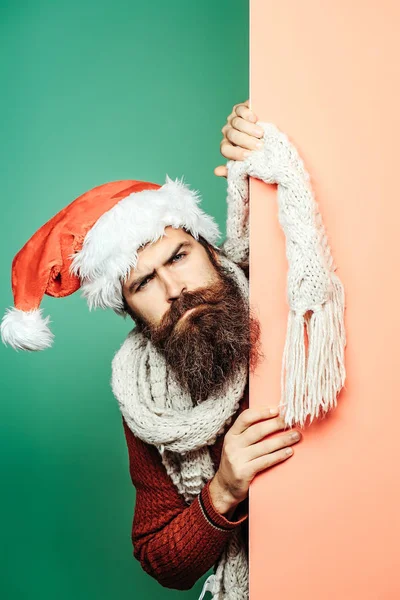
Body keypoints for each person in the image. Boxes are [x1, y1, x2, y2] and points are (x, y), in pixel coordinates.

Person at [1, 100, 302, 599]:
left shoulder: (282, 286)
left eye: (179, 256)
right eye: (144, 282)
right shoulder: (146, 397)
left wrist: (255, 132)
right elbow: (161, 559)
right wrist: (224, 488)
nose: (174, 289)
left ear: (210, 247)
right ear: (129, 310)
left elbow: (314, 192)